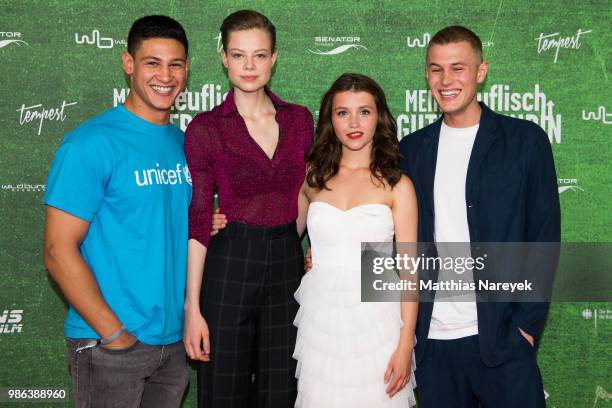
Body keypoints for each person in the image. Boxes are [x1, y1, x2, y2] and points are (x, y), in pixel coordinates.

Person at [399, 26, 560, 407]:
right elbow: (397, 236)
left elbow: (544, 237)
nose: (446, 80)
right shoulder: (412, 149)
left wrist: (525, 327)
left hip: (503, 340)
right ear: (426, 75)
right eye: (436, 69)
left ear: (481, 71)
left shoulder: (525, 141)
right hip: (433, 346)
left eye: (458, 68)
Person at [43, 15, 191, 408]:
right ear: (128, 63)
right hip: (111, 343)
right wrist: (113, 334)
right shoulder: (90, 143)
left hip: (173, 345)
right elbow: (58, 250)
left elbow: (163, 220)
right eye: (152, 62)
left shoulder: (184, 143)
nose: (165, 75)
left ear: (187, 69)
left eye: (175, 64)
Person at [183, 10, 313, 408]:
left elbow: (306, 192)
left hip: (286, 262)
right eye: (239, 55)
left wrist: (300, 245)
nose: (249, 66)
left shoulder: (300, 120)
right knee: (223, 388)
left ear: (274, 58)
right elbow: (201, 215)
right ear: (223, 57)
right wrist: (193, 307)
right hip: (230, 262)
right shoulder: (206, 128)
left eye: (259, 55)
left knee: (281, 390)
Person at [292, 73, 418, 407]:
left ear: (380, 117)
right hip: (321, 322)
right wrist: (223, 223)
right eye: (342, 112)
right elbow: (280, 237)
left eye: (364, 111)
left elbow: (409, 273)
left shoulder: (398, 185)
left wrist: (405, 345)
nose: (354, 122)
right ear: (330, 119)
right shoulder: (312, 177)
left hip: (378, 321)